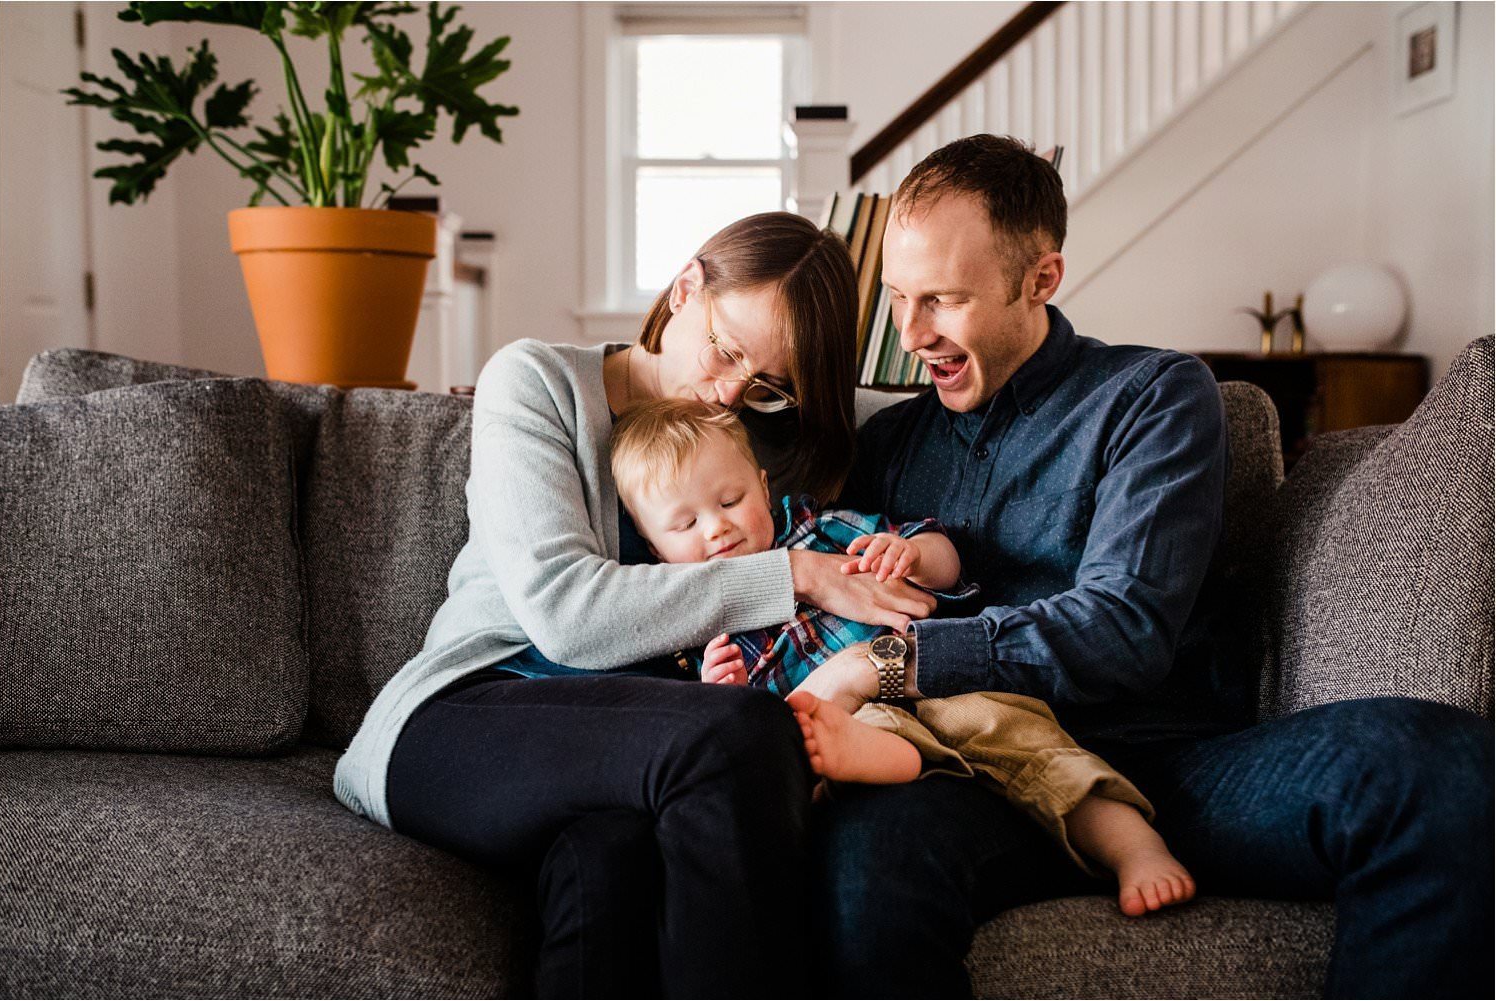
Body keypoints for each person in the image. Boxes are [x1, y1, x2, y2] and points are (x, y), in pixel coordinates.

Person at [799, 134, 1493, 997]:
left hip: (1173, 767)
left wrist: (889, 662)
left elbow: (1122, 628)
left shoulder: (1153, 396)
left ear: (1041, 280)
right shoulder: (890, 445)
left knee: (1442, 766)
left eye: (941, 299)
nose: (912, 333)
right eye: (899, 298)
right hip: (971, 769)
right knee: (864, 865)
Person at [333, 212, 939, 997]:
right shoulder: (537, 381)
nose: (727, 391)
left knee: (612, 862)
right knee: (740, 736)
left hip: (626, 754)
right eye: (724, 350)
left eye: (766, 384)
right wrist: (800, 573)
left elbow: (897, 417)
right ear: (686, 287)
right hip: (467, 712)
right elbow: (566, 613)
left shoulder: (761, 431)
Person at [610, 397, 1196, 915]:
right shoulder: (696, 623)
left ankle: (1135, 848)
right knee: (799, 766)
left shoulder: (825, 530)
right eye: (685, 524)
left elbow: (950, 564)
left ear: (765, 487)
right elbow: (729, 726)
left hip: (938, 685)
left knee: (1025, 739)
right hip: (845, 730)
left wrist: (911, 554)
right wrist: (722, 690)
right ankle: (886, 756)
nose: (717, 529)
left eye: (732, 499)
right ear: (650, 542)